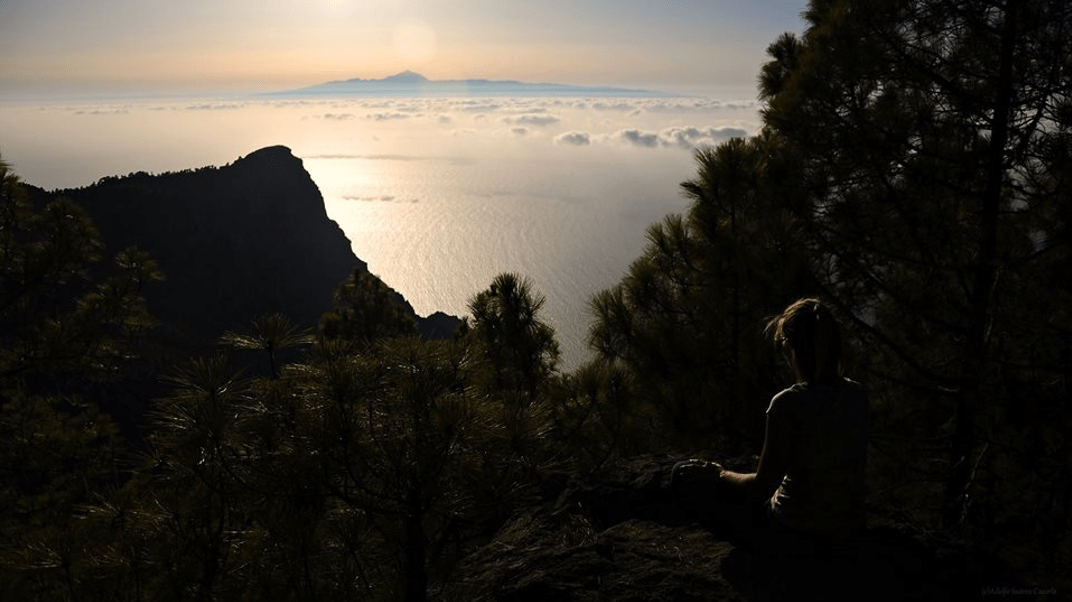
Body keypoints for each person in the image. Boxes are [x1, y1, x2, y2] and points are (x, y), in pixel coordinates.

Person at [672, 298, 869, 548]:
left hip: (794, 530)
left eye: (783, 344)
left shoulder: (787, 403)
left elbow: (762, 487)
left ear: (792, 348)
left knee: (680, 474)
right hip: (850, 528)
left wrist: (720, 474)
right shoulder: (857, 395)